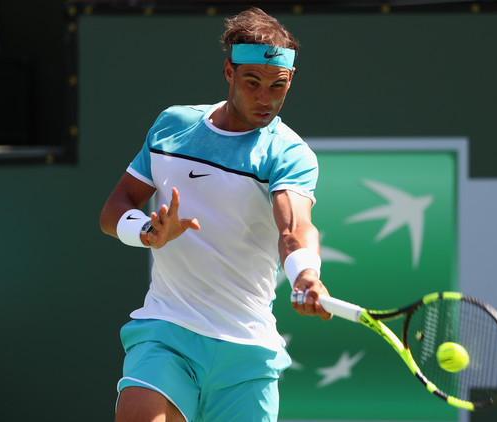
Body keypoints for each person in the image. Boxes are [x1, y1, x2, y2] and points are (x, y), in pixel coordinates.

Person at [99, 6, 331, 422]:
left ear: (290, 79)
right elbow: (114, 209)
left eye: (278, 86)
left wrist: (306, 275)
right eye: (252, 82)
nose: (265, 98)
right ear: (229, 72)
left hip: (246, 352)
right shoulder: (172, 126)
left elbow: (294, 227)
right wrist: (149, 233)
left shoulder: (289, 153)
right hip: (167, 332)